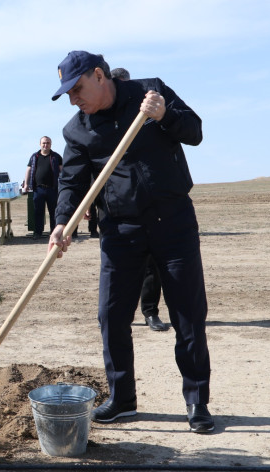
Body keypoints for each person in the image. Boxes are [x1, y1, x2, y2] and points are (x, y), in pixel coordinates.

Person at [49, 51, 213, 433]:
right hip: (120, 230)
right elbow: (71, 182)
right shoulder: (77, 130)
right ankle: (122, 399)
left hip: (172, 221)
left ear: (99, 75)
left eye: (77, 89)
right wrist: (61, 223)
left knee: (188, 315)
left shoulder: (150, 92)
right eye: (68, 94)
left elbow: (195, 132)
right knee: (111, 315)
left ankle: (196, 401)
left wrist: (164, 116)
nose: (74, 99)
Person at [111, 67, 166, 332]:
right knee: (121, 266)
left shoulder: (147, 116)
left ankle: (150, 312)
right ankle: (121, 313)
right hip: (118, 206)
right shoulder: (104, 121)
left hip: (150, 203)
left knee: (152, 265)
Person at [23, 136, 63, 239]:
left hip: (52, 189)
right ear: (40, 144)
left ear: (51, 144)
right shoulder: (34, 156)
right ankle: (38, 233)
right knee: (38, 212)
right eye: (44, 143)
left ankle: (54, 233)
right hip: (38, 189)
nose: (46, 145)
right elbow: (28, 170)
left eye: (48, 143)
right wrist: (26, 184)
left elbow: (62, 171)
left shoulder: (56, 156)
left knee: (53, 212)